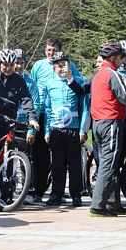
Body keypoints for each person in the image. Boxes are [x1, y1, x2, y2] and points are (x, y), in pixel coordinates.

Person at [89, 42, 126, 217]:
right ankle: (97, 205)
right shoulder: (111, 74)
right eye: (121, 58)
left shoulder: (98, 74)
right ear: (114, 58)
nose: (123, 61)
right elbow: (125, 99)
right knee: (109, 164)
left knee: (112, 163)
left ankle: (113, 203)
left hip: (98, 123)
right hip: (110, 123)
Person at [30, 38, 80, 202]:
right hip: (43, 113)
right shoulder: (38, 65)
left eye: (54, 50)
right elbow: (31, 86)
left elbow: (78, 88)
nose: (51, 53)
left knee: (69, 159)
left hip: (67, 118)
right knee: (42, 155)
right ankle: (39, 190)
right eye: (48, 50)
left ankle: (68, 192)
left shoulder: (70, 65)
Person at [0, 49, 39, 170]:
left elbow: (26, 99)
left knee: (6, 150)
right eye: (5, 65)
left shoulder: (19, 80)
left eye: (11, 65)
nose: (8, 68)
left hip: (8, 117)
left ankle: (6, 183)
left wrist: (32, 118)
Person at [44, 52, 90, 207]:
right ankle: (56, 194)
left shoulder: (79, 81)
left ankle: (76, 194)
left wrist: (83, 129)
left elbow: (84, 107)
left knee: (74, 163)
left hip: (74, 128)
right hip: (56, 128)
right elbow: (48, 107)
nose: (61, 68)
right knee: (57, 164)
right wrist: (46, 131)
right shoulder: (50, 84)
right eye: (58, 65)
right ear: (54, 67)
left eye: (64, 64)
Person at [13, 49, 40, 205]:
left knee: (26, 158)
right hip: (9, 122)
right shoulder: (6, 80)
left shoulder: (30, 82)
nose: (18, 66)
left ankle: (28, 190)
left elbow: (35, 106)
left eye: (21, 63)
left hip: (25, 124)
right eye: (16, 62)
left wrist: (31, 129)